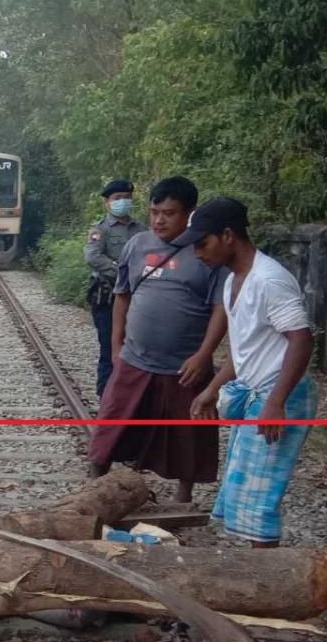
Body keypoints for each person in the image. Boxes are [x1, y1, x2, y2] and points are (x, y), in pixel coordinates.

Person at [184, 197, 315, 548]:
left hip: (279, 393)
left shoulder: (269, 280)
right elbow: (246, 351)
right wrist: (212, 388)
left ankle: (266, 572)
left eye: (203, 243)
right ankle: (258, 567)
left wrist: (275, 403)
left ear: (228, 235)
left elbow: (302, 340)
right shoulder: (233, 282)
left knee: (259, 498)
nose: (197, 253)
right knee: (242, 488)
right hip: (258, 391)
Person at [87, 177, 227, 503]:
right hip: (135, 358)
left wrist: (204, 354)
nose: (159, 220)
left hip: (185, 364)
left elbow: (221, 309)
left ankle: (183, 498)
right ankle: (93, 490)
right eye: (154, 212)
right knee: (111, 424)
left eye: (169, 213)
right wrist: (116, 345)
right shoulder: (137, 245)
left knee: (188, 434)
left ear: (189, 213)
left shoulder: (205, 250)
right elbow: (122, 295)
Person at [84, 180, 148, 397]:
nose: (123, 202)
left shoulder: (141, 229)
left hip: (137, 297)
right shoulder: (100, 229)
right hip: (107, 297)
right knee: (109, 347)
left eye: (126, 197)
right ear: (107, 202)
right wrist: (122, 271)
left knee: (136, 348)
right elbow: (92, 256)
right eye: (117, 198)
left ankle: (130, 396)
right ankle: (106, 397)